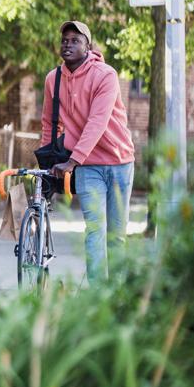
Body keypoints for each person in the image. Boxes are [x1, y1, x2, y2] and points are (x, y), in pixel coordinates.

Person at [40, 20, 135, 284]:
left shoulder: (105, 75)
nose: (68, 44)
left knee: (116, 234)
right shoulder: (53, 79)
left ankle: (117, 293)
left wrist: (72, 160)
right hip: (88, 166)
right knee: (95, 229)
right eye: (64, 40)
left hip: (119, 161)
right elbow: (49, 122)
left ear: (88, 46)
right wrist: (49, 158)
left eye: (75, 40)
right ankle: (97, 294)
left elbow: (98, 120)